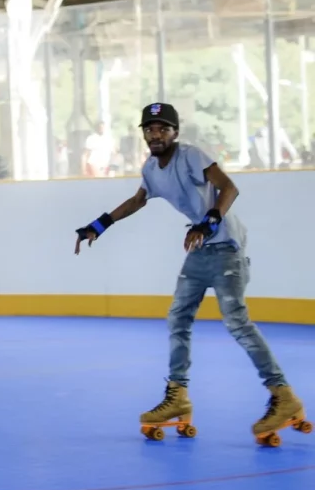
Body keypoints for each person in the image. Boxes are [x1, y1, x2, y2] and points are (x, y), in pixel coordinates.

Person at [74, 103, 306, 444]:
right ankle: (177, 395)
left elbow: (229, 187)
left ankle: (283, 395)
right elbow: (138, 201)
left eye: (162, 129)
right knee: (178, 318)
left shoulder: (192, 156)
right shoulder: (151, 169)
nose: (155, 134)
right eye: (149, 129)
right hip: (199, 253)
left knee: (237, 323)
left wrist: (209, 222)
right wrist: (98, 225)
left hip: (226, 247)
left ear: (175, 133)